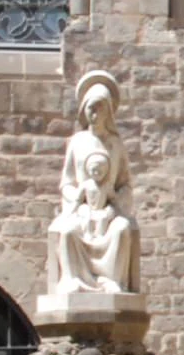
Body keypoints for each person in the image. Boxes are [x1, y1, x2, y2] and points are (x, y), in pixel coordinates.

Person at [47, 72, 140, 294]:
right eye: (91, 108)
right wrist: (79, 195)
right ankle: (74, 280)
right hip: (81, 211)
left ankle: (111, 281)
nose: (95, 114)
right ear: (84, 110)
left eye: (100, 108)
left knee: (122, 228)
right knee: (67, 230)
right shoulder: (77, 142)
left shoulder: (116, 145)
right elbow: (66, 182)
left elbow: (125, 183)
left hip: (108, 212)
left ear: (108, 111)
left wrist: (114, 197)